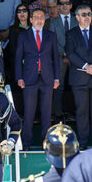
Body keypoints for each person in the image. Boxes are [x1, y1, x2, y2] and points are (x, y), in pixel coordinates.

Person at [14, 8, 60, 149]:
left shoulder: (51, 35)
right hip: (29, 79)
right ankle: (26, 143)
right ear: (31, 20)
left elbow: (55, 58)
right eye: (36, 17)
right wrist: (19, 77)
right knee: (29, 113)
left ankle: (46, 143)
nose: (39, 20)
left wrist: (56, 78)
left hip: (47, 78)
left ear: (44, 20)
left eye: (42, 17)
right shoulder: (23, 36)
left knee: (46, 113)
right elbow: (18, 58)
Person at [65, 5, 92, 148]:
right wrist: (86, 66)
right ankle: (82, 142)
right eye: (84, 14)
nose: (87, 17)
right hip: (79, 79)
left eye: (89, 14)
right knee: (81, 112)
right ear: (77, 17)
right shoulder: (71, 33)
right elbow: (70, 53)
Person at [49, 0, 77, 122]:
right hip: (59, 58)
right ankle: (58, 115)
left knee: (77, 85)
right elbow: (52, 41)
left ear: (71, 5)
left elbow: (79, 39)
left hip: (76, 58)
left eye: (67, 3)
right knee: (58, 86)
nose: (65, 5)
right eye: (62, 3)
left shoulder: (77, 20)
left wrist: (71, 55)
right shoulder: (53, 22)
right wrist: (64, 54)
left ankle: (75, 113)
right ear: (59, 6)